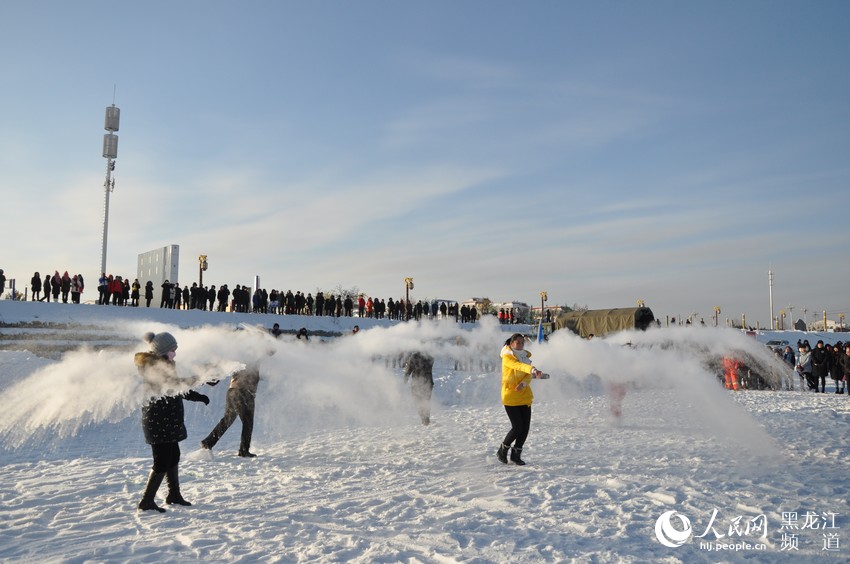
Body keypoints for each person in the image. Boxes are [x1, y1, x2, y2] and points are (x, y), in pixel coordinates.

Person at [134, 332, 210, 512]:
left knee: (173, 456)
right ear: (161, 351)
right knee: (161, 461)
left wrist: (197, 396)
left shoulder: (165, 365)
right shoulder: (153, 368)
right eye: (171, 351)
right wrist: (201, 378)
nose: (174, 354)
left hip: (168, 419)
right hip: (158, 420)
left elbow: (177, 388)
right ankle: (147, 500)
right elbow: (174, 385)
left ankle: (174, 494)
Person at [497, 333, 548, 466]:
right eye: (518, 342)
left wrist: (524, 383)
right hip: (510, 396)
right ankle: (502, 450)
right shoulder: (507, 356)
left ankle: (516, 454)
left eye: (522, 342)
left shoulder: (525, 357)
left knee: (525, 428)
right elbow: (519, 366)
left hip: (524, 396)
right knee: (517, 427)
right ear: (511, 343)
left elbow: (528, 375)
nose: (520, 344)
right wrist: (532, 369)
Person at [201, 362, 261, 457]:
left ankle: (208, 442)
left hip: (232, 391)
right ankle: (244, 451)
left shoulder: (238, 357)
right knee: (248, 422)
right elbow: (268, 351)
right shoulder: (251, 356)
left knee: (228, 419)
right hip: (244, 393)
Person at [403, 352, 434, 425]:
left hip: (417, 383)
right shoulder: (430, 356)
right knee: (426, 400)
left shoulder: (414, 356)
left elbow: (409, 368)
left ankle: (424, 418)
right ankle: (426, 418)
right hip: (428, 382)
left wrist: (406, 377)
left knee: (418, 401)